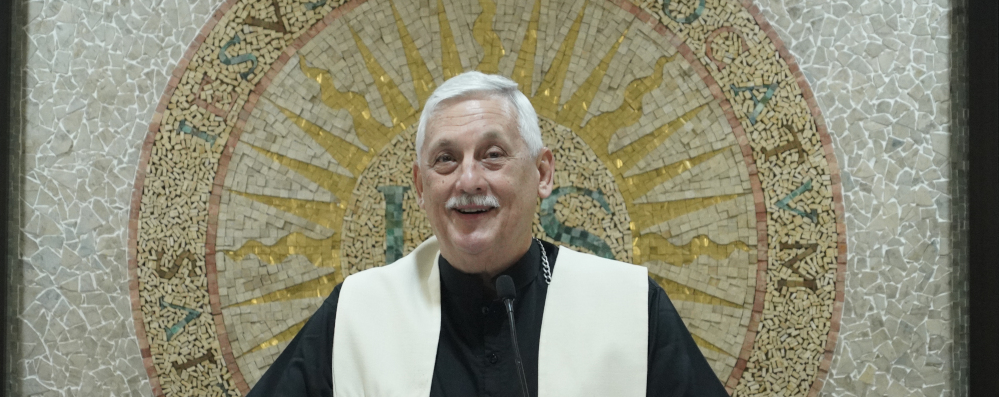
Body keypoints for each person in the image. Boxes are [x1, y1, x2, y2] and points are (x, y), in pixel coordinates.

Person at [247, 72, 727, 397]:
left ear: (542, 173)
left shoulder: (629, 305)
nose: (469, 181)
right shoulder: (358, 312)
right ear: (420, 185)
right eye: (445, 159)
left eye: (493, 154)